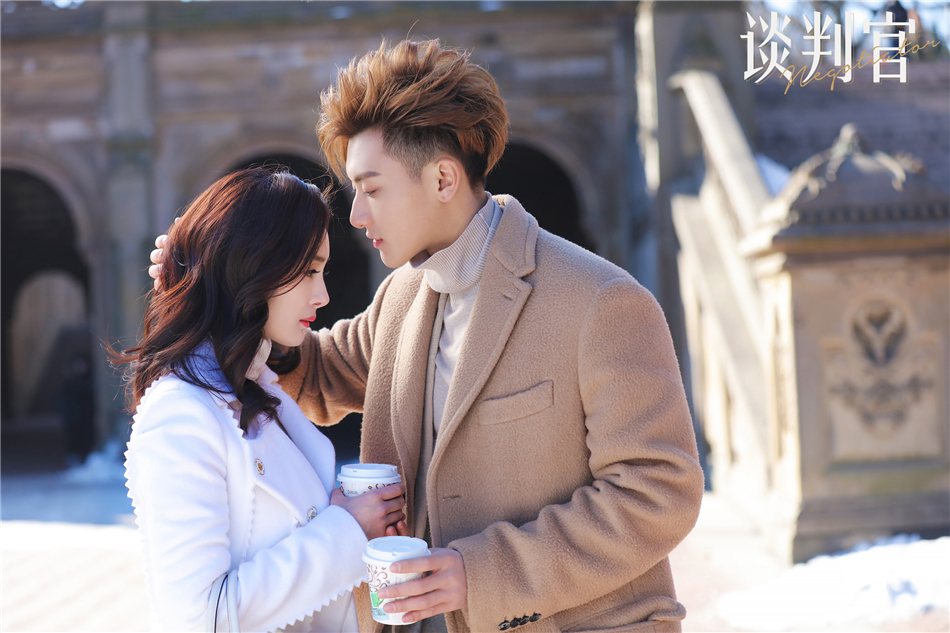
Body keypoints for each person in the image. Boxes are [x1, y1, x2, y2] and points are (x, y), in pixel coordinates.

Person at [152, 40, 704, 633]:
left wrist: (481, 574)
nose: (356, 216)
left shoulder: (600, 300)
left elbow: (658, 490)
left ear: (442, 178)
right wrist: (218, 282)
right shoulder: (403, 297)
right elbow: (312, 371)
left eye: (372, 189)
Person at [122, 167, 407, 633]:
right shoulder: (181, 413)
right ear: (253, 264)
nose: (324, 294)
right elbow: (200, 617)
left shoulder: (258, 387)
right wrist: (349, 529)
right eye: (309, 271)